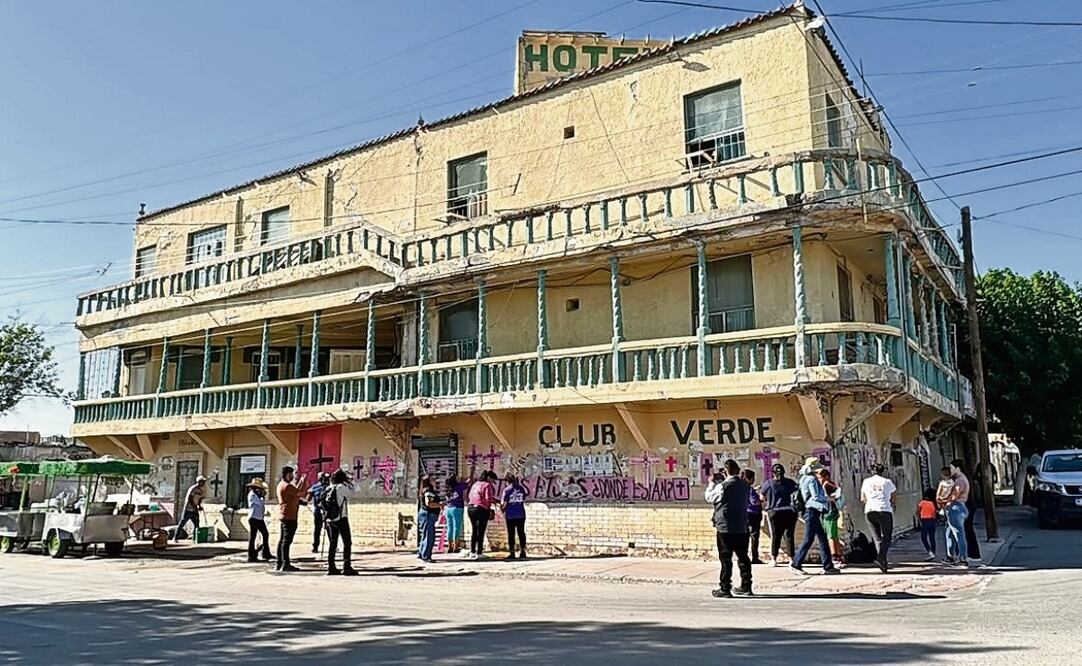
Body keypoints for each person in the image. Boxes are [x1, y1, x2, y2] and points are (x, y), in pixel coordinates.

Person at [706, 459, 754, 598]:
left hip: (725, 526)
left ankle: (725, 587)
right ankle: (746, 585)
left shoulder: (723, 486)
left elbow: (710, 497)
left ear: (726, 471)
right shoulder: (745, 486)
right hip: (742, 526)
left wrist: (711, 483)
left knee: (726, 558)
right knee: (743, 557)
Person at [791, 457, 841, 575]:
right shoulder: (812, 480)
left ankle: (828, 566)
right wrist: (829, 499)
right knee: (808, 539)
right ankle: (796, 563)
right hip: (812, 511)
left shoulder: (803, 478)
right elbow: (816, 497)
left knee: (822, 538)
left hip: (809, 511)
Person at [860, 463, 897, 572]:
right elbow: (893, 497)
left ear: (872, 471)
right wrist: (892, 504)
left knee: (877, 538)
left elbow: (863, 498)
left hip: (870, 510)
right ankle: (881, 558)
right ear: (882, 471)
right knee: (887, 537)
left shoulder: (866, 482)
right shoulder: (887, 482)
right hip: (884, 510)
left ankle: (883, 562)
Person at [759, 463, 798, 566]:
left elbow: (762, 498)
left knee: (776, 536)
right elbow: (797, 494)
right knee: (789, 536)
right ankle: (792, 559)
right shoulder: (790, 482)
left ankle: (774, 559)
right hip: (790, 512)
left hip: (774, 512)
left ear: (773, 473)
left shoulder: (768, 484)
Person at [325, 469, 359, 576]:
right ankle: (346, 566)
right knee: (347, 542)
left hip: (330, 519)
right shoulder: (340, 488)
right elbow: (352, 493)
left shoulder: (329, 488)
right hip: (341, 518)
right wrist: (349, 483)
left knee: (333, 543)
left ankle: (331, 566)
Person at [276, 466, 307, 572]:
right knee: (286, 541)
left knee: (282, 541)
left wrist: (301, 482)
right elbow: (300, 493)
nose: (293, 476)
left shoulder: (283, 485)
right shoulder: (287, 486)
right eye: (291, 474)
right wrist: (304, 482)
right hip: (289, 516)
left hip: (286, 515)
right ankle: (285, 564)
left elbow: (295, 492)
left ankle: (279, 563)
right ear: (287, 474)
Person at [940, 461, 970, 565]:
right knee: (949, 532)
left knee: (958, 533)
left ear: (958, 468)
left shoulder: (960, 480)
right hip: (954, 507)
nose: (950, 470)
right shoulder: (958, 479)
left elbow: (954, 496)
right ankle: (950, 556)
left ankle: (962, 558)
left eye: (952, 468)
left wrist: (943, 500)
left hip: (956, 507)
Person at [816, 468, 845, 569]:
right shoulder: (826, 484)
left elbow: (837, 494)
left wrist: (830, 499)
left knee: (831, 536)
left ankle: (835, 557)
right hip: (829, 512)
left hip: (830, 512)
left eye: (820, 478)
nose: (819, 480)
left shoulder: (827, 484)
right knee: (833, 535)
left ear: (826, 476)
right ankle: (838, 555)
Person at [467, 470, 497, 559]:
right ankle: (479, 552)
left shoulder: (475, 484)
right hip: (481, 509)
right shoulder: (487, 485)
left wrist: (495, 500)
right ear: (488, 478)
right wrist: (489, 509)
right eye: (492, 479)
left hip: (471, 508)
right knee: (481, 531)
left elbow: (470, 496)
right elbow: (488, 499)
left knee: (474, 531)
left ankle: (472, 551)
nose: (492, 482)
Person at [501, 473, 528, 560]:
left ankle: (512, 552)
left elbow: (504, 504)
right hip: (521, 514)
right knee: (521, 533)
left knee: (511, 534)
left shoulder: (506, 490)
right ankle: (523, 551)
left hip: (510, 515)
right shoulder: (521, 488)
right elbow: (523, 498)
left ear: (507, 481)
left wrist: (502, 509)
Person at [246, 478, 273, 562]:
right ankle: (251, 555)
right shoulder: (252, 495)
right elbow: (259, 504)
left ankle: (265, 552)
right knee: (253, 537)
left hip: (259, 518)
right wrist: (262, 497)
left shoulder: (257, 495)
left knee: (265, 534)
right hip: (253, 517)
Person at [417, 475, 442, 563]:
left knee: (425, 535)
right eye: (433, 479)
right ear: (429, 481)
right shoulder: (428, 491)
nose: (435, 481)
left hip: (426, 514)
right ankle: (426, 556)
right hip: (428, 515)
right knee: (429, 536)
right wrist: (440, 505)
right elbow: (429, 503)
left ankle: (422, 553)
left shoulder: (424, 490)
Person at [740, 469, 764, 564]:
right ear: (749, 479)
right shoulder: (749, 489)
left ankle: (743, 557)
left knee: (744, 537)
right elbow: (754, 502)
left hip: (743, 514)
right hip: (753, 514)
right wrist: (762, 499)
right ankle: (755, 557)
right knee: (754, 536)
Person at [175, 475, 206, 542]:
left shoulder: (200, 490)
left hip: (195, 510)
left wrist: (199, 506)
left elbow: (199, 499)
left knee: (197, 524)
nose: (204, 483)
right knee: (182, 523)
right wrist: (194, 507)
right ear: (199, 482)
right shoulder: (193, 488)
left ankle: (195, 538)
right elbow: (190, 498)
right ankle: (175, 537)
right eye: (203, 482)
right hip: (188, 509)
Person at [306, 471, 331, 554]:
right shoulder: (315, 487)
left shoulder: (329, 487)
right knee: (318, 528)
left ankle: (332, 545)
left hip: (326, 509)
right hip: (318, 509)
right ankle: (315, 546)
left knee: (328, 528)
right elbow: (307, 499)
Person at [444, 475, 468, 554]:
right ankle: (456, 547)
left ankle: (450, 546)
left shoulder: (448, 488)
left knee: (450, 528)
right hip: (457, 508)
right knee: (456, 528)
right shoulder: (460, 486)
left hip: (448, 508)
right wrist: (472, 471)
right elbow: (469, 482)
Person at [918, 487, 938, 561]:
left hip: (925, 521)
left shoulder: (922, 503)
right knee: (932, 538)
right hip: (932, 521)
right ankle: (933, 552)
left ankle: (930, 552)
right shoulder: (933, 503)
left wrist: (919, 520)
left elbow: (918, 512)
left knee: (924, 538)